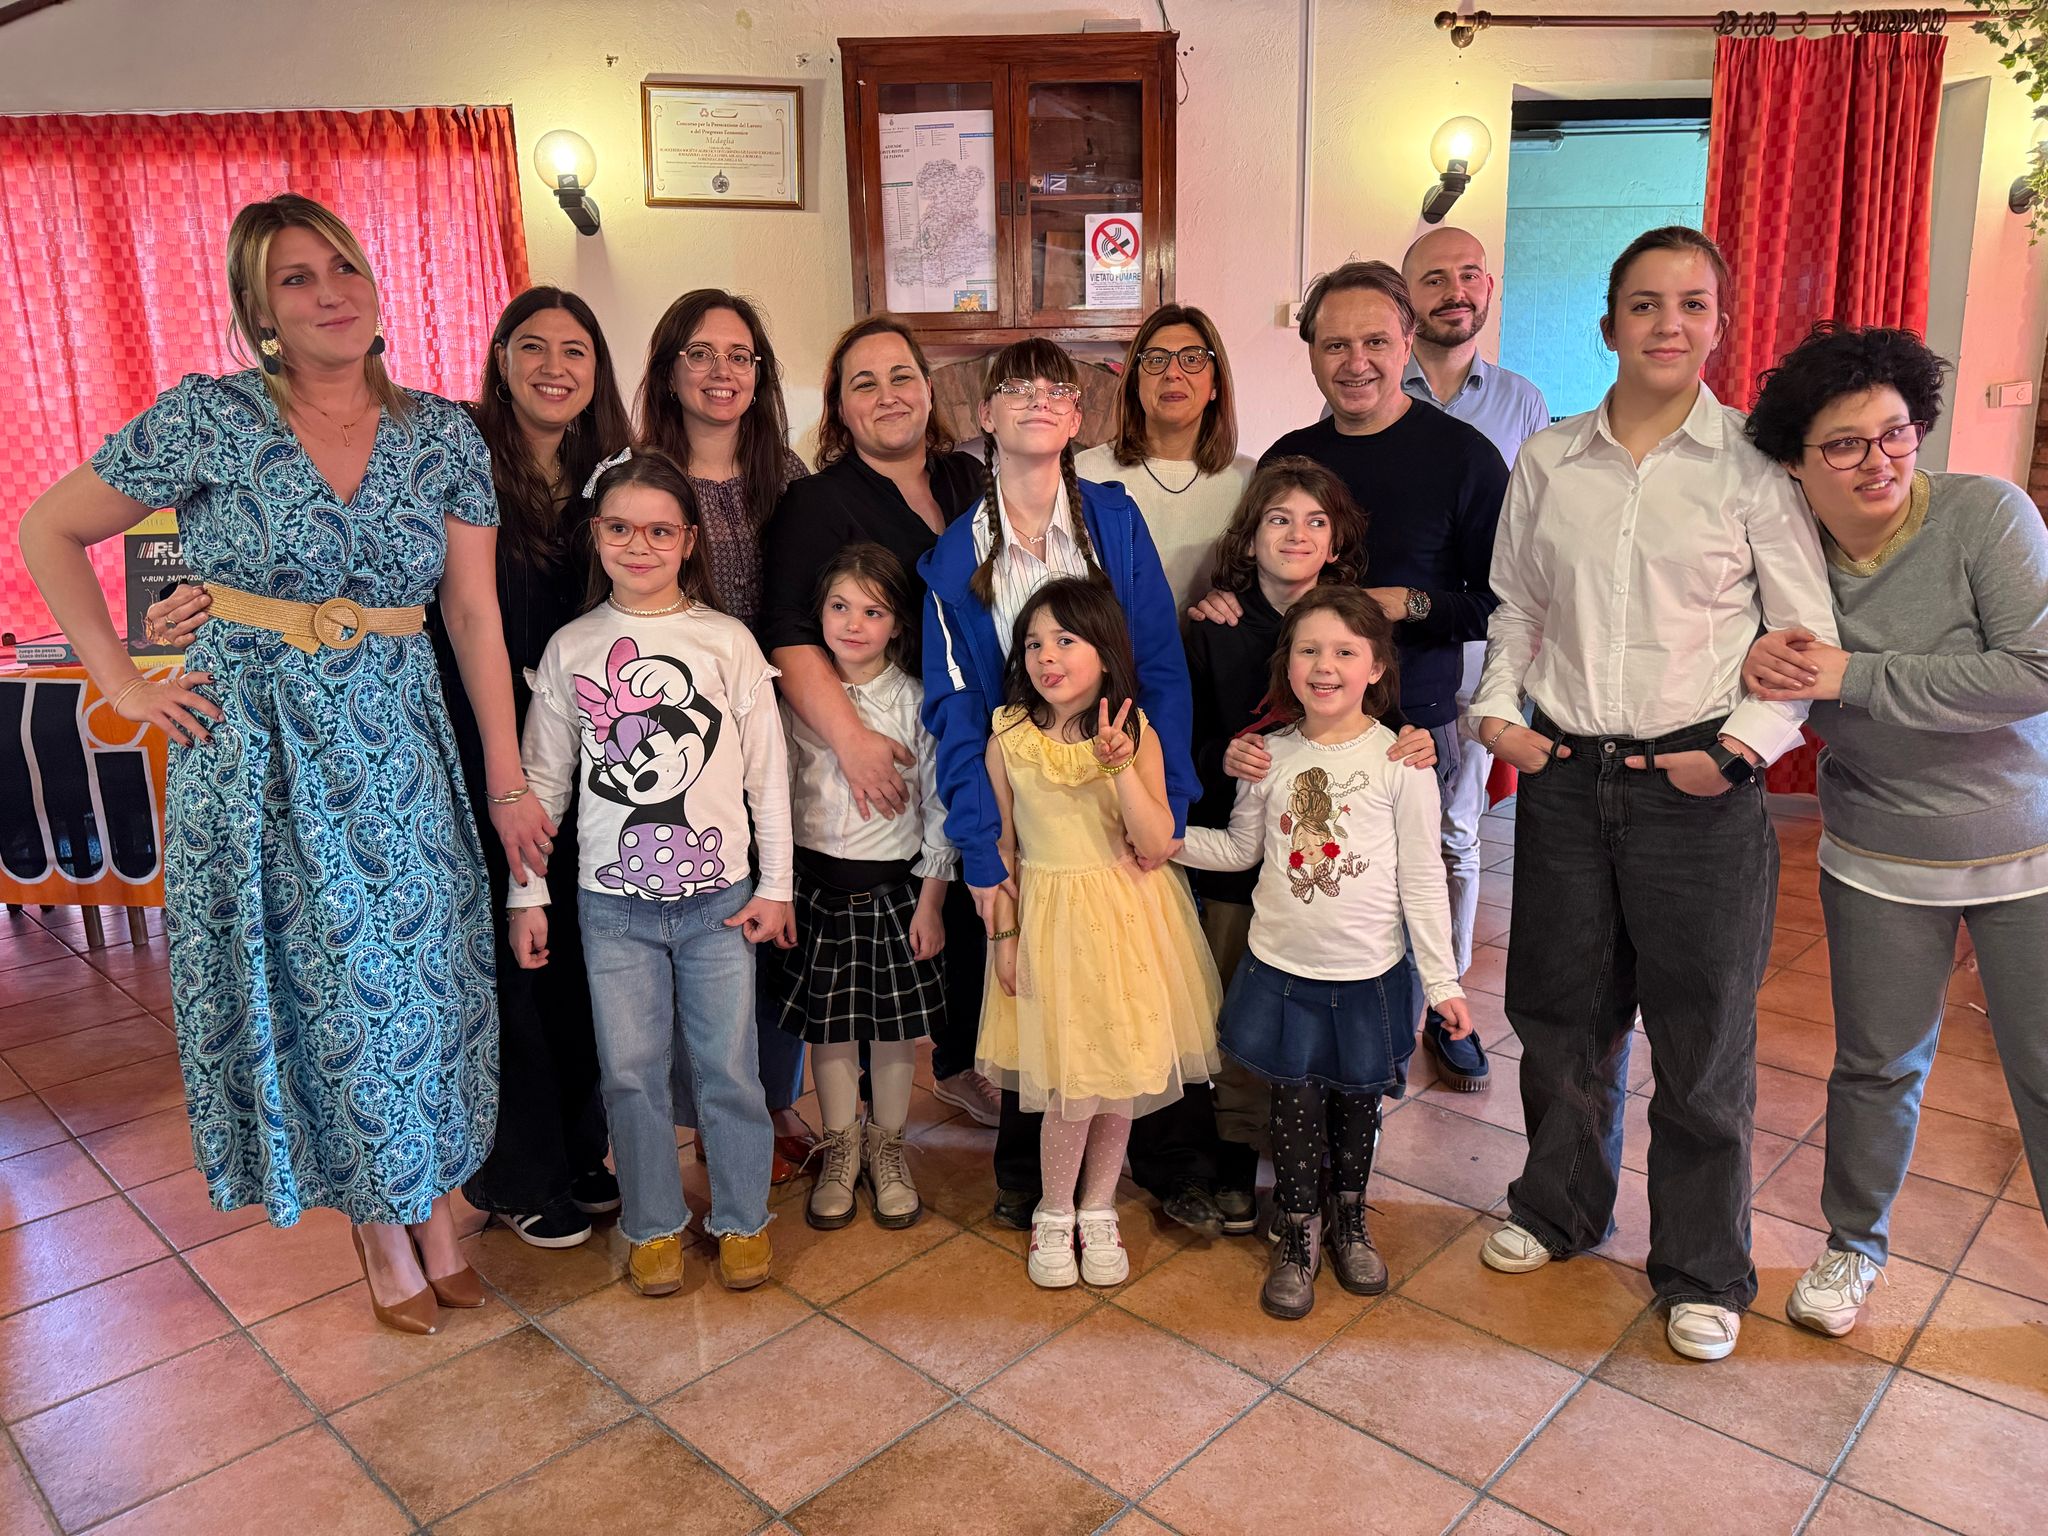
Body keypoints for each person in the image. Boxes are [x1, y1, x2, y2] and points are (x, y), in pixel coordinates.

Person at [18, 193, 549, 1337]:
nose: (329, 292)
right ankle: (381, 1226)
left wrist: (506, 781)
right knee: (325, 989)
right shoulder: (208, 418)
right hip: (255, 752)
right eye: (296, 278)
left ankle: (433, 1208)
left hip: (401, 746)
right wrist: (121, 683)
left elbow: (472, 616)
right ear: (259, 309)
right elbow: (48, 528)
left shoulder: (443, 433)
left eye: (343, 266)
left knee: (425, 984)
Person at [143, 286, 636, 1249]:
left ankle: (580, 1149)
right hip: (457, 730)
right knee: (498, 957)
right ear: (499, 359)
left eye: (576, 350)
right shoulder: (454, 441)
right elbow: (415, 592)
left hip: (592, 742)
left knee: (577, 952)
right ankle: (518, 1172)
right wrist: (205, 605)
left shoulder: (613, 477)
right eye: (532, 347)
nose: (554, 367)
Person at [1470, 226, 1838, 1363]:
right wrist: (1499, 712)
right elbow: (1517, 607)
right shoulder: (1549, 461)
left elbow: (1803, 634)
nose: (1666, 324)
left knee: (1701, 1034)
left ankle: (1701, 1265)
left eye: (1689, 304)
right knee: (1559, 1014)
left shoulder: (1753, 467)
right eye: (1643, 304)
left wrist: (1737, 753)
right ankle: (1557, 1207)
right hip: (1566, 778)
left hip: (1696, 788)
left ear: (1718, 323)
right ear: (1608, 324)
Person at [1739, 322, 2048, 1336]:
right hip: (1875, 854)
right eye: (1844, 443)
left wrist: (1853, 674)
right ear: (1793, 461)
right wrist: (1751, 665)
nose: (1877, 460)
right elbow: (1744, 661)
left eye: (1896, 433)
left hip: (2026, 851)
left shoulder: (1983, 516)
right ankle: (1851, 1247)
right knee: (1876, 1067)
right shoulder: (1781, 559)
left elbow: (2034, 672)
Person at [919, 338, 1225, 1236]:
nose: (1039, 400)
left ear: (1078, 416)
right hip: (1028, 801)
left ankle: (1171, 1169)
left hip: (1122, 787)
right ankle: (1034, 1180)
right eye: (1016, 388)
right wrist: (982, 852)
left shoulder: (1113, 520)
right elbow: (958, 717)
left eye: (1057, 388)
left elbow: (1158, 662)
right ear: (986, 415)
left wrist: (1165, 798)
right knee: (1036, 996)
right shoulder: (952, 558)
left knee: (1141, 990)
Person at [1197, 261, 1509, 1087]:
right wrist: (1223, 601)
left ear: (1408, 342)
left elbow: (1503, 601)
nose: (1355, 361)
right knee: (1311, 883)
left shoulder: (1465, 457)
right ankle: (1291, 1062)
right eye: (1335, 344)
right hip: (1300, 723)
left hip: (1412, 720)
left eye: (1375, 341)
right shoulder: (1292, 456)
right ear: (1310, 352)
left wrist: (1410, 604)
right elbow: (1261, 570)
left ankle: (1420, 1026)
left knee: (1419, 877)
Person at [508, 448, 792, 1300]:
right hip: (611, 910)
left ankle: (742, 1216)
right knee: (628, 1073)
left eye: (660, 531)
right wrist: (528, 893)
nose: (640, 546)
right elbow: (542, 785)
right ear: (596, 534)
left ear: (689, 539)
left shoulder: (726, 641)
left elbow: (767, 776)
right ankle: (653, 1223)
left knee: (728, 1068)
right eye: (622, 529)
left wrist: (775, 885)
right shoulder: (572, 649)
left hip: (721, 905)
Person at [1179, 587, 1472, 1318]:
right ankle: (1297, 1226)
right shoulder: (1270, 755)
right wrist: (1164, 841)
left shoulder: (1401, 761)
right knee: (1294, 1104)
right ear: (1287, 664)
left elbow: (1422, 879)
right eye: (1308, 649)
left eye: (1345, 651)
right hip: (1282, 971)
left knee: (1357, 1105)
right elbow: (1241, 849)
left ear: (1377, 667)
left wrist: (1443, 984)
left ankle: (1349, 1215)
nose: (1324, 665)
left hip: (1369, 976)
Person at [758, 315, 1000, 1129]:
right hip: (891, 736)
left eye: (902, 377)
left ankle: (972, 1058)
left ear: (929, 391)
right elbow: (789, 632)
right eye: (864, 383)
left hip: (983, 729)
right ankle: (871, 1108)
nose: (888, 395)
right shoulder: (817, 502)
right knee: (891, 928)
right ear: (840, 407)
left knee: (980, 894)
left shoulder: (971, 480)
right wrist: (852, 741)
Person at [979, 578, 1221, 1287]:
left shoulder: (1134, 731)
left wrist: (1118, 770)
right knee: (1068, 1086)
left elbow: (1155, 841)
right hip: (1049, 923)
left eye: (1065, 640)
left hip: (1128, 921)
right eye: (1033, 644)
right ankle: (1053, 1211)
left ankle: (1098, 1206)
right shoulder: (1008, 735)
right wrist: (1005, 938)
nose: (1046, 657)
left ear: (1105, 651)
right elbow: (1002, 850)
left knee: (1117, 1079)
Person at [636, 289, 812, 1163]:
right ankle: (709, 1112)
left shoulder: (790, 476)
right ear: (670, 369)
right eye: (701, 353)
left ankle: (772, 1102)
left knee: (775, 918)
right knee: (698, 928)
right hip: (678, 741)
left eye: (740, 355)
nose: (721, 371)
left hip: (779, 731)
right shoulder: (636, 477)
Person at [1399, 227, 1551, 1090]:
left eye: (1468, 275)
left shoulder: (1523, 401)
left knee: (1457, 834)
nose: (1454, 291)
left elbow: (1532, 537)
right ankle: (1383, 998)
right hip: (1389, 663)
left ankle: (1446, 1006)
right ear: (1408, 297)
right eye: (1434, 279)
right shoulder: (1381, 384)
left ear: (1487, 287)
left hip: (1477, 662)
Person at [765, 543, 953, 1231]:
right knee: (832, 1031)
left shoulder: (917, 702)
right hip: (816, 889)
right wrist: (779, 888)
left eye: (873, 611)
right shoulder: (797, 700)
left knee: (894, 1033)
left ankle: (888, 1148)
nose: (853, 624)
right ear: (818, 613)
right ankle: (841, 1147)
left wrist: (932, 903)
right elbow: (776, 792)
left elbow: (941, 809)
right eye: (839, 607)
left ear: (898, 622)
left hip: (897, 894)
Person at [1075, 304, 1254, 607]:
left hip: (1215, 637)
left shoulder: (1248, 479)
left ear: (1215, 384)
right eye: (1156, 360)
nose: (1172, 373)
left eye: (1192, 359)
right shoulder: (1084, 472)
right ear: (1135, 382)